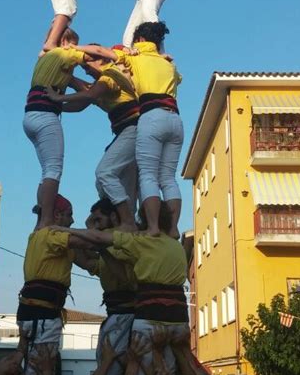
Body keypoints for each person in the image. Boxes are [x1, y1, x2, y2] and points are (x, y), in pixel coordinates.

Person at [51, 201, 189, 375]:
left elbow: (100, 246)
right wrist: (90, 233)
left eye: (99, 219)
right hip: (177, 321)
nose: (95, 225)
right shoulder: (174, 246)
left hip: (141, 319)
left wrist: (61, 230)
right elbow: (90, 259)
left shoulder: (139, 241)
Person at [79, 21, 183, 237]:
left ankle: (152, 227)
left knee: (147, 176)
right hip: (175, 119)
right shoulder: (169, 65)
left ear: (141, 40)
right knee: (168, 178)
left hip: (151, 117)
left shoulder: (135, 58)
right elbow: (178, 78)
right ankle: (173, 228)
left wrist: (71, 50)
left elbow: (100, 51)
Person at [47, 56, 139, 226]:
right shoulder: (101, 85)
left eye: (87, 66)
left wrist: (57, 99)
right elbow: (82, 100)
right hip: (127, 133)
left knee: (105, 173)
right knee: (119, 183)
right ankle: (122, 221)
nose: (87, 71)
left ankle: (127, 221)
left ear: (100, 60)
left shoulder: (110, 76)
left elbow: (88, 93)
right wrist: (56, 104)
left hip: (133, 129)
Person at [23, 27, 86, 226]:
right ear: (64, 42)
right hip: (46, 117)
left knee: (46, 172)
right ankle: (47, 219)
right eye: (73, 43)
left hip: (30, 116)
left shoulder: (47, 62)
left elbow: (84, 92)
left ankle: (41, 217)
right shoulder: (63, 54)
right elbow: (91, 58)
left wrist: (60, 102)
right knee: (53, 170)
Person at [84, 199, 137, 375]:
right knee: (108, 365)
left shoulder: (121, 243)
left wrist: (100, 245)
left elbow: (125, 277)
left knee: (114, 367)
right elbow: (86, 259)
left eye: (100, 219)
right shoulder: (106, 248)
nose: (96, 224)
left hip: (125, 317)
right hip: (116, 316)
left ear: (114, 217)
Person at [17, 194, 74, 373]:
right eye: (69, 214)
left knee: (28, 367)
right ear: (57, 215)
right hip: (44, 314)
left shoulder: (36, 235)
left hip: (32, 312)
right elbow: (91, 242)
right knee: (40, 372)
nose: (73, 220)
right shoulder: (53, 236)